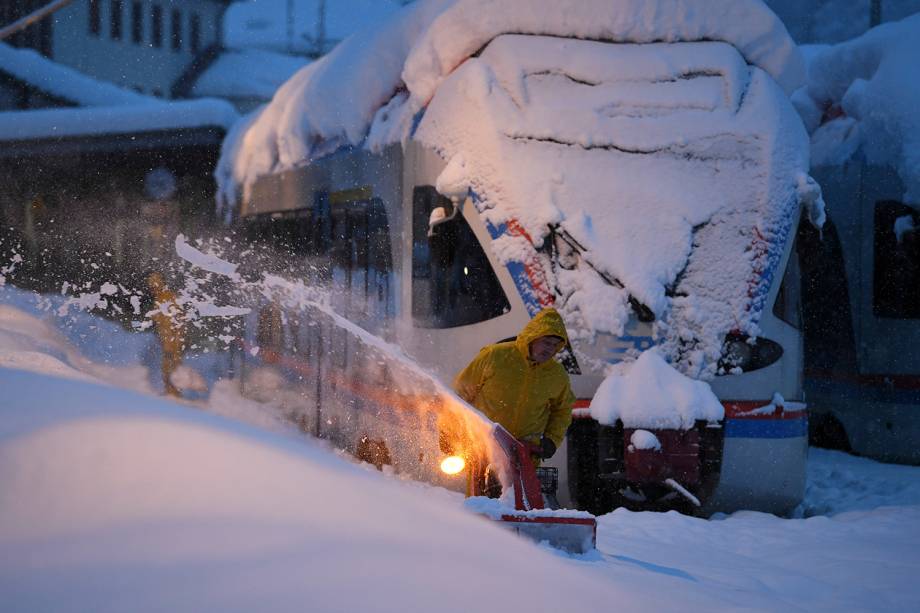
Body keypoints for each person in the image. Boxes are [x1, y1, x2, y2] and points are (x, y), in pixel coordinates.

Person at [453, 307, 576, 466]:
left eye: (555, 345)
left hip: (525, 457)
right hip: (484, 448)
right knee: (481, 491)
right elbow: (460, 393)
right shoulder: (495, 356)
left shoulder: (557, 374)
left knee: (521, 492)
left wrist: (552, 439)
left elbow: (563, 410)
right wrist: (451, 433)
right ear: (533, 337)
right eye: (546, 342)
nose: (550, 349)